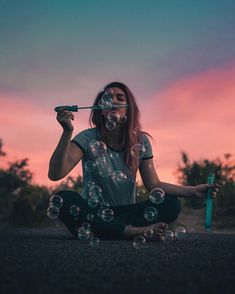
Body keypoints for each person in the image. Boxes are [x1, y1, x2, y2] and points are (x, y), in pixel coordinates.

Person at [48, 81, 219, 240]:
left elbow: (154, 185)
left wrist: (193, 191)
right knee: (64, 199)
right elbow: (55, 174)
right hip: (95, 209)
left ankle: (107, 229)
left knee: (171, 204)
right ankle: (131, 231)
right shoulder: (87, 137)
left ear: (129, 109)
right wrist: (67, 132)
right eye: (107, 98)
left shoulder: (141, 141)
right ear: (100, 108)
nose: (113, 101)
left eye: (120, 98)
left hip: (125, 213)